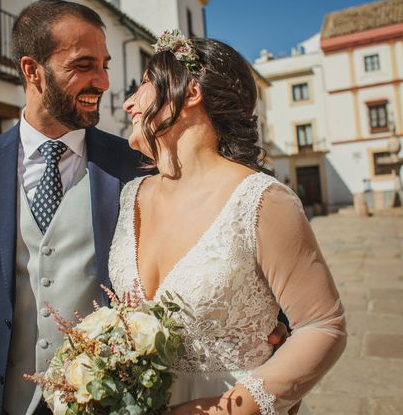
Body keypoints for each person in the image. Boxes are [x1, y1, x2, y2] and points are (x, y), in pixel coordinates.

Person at [110, 31, 346, 414]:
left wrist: (230, 410)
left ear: (190, 93)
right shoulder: (130, 196)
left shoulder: (262, 200)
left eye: (146, 85)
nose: (130, 104)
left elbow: (324, 325)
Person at [0, 0, 145, 415]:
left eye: (105, 65)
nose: (101, 81)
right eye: (84, 65)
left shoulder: (133, 166)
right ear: (32, 71)